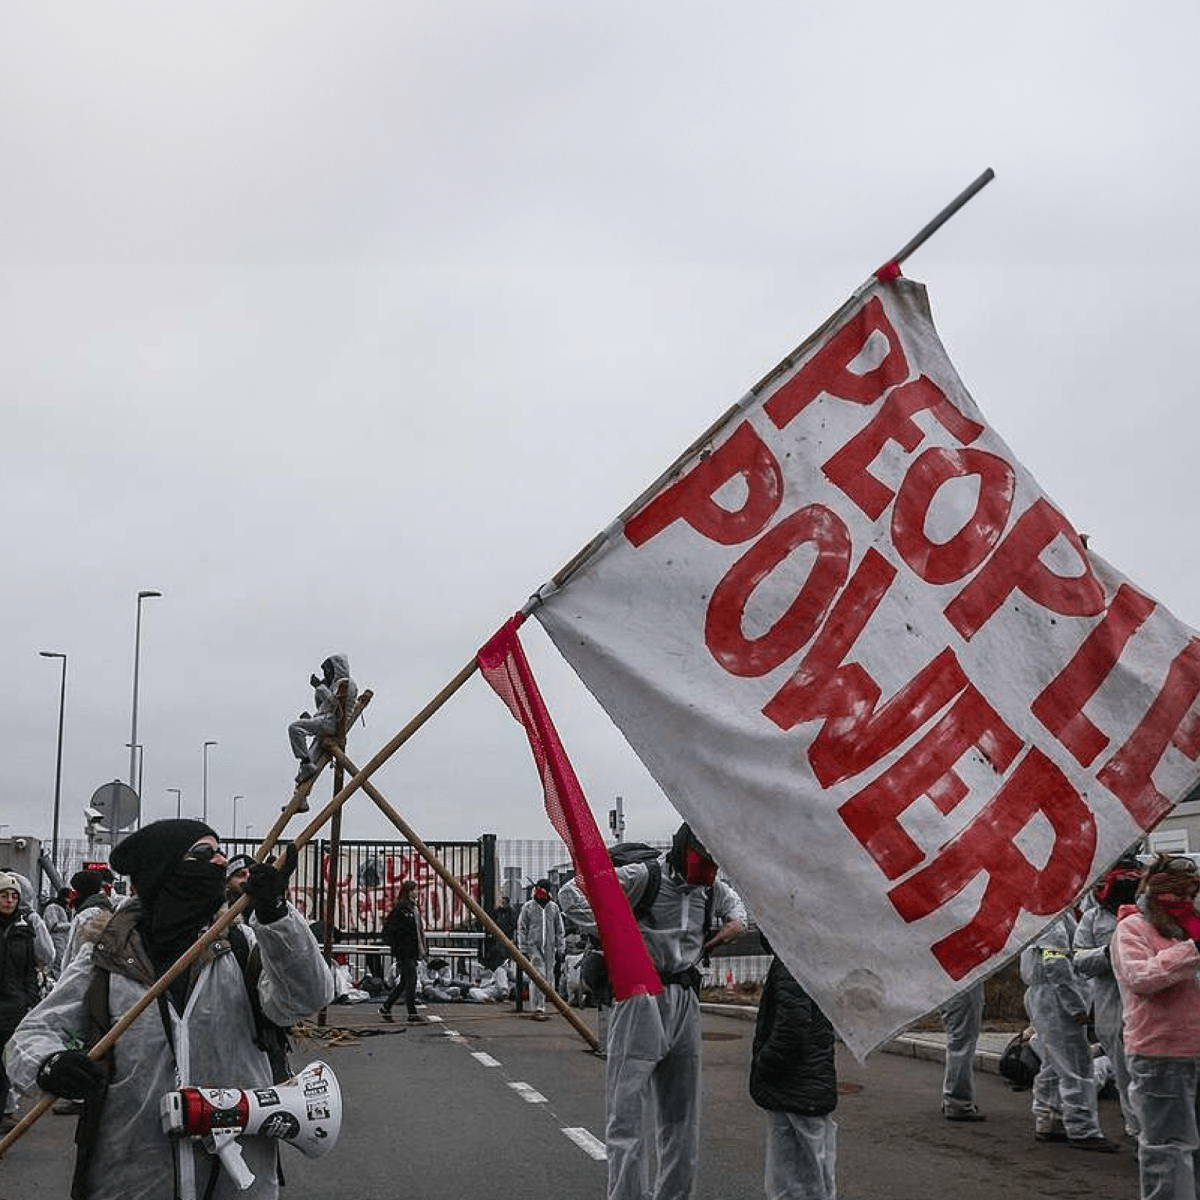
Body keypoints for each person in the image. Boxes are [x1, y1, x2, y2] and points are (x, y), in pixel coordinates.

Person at [4, 818, 334, 1199]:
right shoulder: (103, 960)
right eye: (203, 853)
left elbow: (308, 997)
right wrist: (49, 1065)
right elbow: (25, 1040)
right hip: (130, 1180)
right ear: (164, 871)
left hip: (238, 1181)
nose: (219, 863)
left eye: (221, 852)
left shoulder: (239, 946)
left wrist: (276, 913)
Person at [559, 822, 747, 1200]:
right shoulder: (645, 876)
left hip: (685, 997)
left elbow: (737, 910)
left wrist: (733, 928)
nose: (708, 871)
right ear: (684, 851)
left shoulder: (710, 889)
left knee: (682, 1116)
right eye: (703, 860)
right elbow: (571, 892)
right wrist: (614, 933)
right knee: (627, 1111)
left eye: (714, 862)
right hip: (640, 996)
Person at [1111, 853, 1200, 1198]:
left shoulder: (1189, 927)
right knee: (1167, 1149)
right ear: (1157, 892)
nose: (1186, 902)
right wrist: (1191, 950)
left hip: (1194, 1050)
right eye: (1178, 894)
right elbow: (1141, 977)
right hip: (1159, 1053)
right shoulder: (1131, 928)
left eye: (1192, 895)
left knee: (1191, 1149)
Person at [1021, 914, 1118, 1152]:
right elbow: (1055, 963)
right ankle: (1083, 1130)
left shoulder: (1044, 916)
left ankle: (1049, 1120)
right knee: (1077, 1065)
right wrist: (1075, 1006)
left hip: (1047, 998)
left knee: (1054, 1064)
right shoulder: (1053, 920)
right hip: (1057, 1000)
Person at [750, 934, 837, 1200]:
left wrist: (764, 1062)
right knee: (814, 1169)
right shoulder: (810, 954)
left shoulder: (792, 959)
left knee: (794, 1175)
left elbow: (793, 1023)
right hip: (809, 1082)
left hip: (793, 1081)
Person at [1073, 853, 1143, 1139]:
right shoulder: (1092, 918)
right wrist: (1108, 953)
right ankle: (1138, 1132)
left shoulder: (1152, 914)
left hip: (1147, 1004)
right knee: (1125, 1075)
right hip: (1111, 1007)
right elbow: (1078, 959)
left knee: (1149, 1073)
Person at [0, 872, 51, 1134]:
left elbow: (31, 968)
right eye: (4, 895)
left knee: (5, 1062)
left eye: (13, 896)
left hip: (13, 1006)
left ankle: (4, 1112)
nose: (9, 900)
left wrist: (28, 999)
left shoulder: (24, 929)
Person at [287, 654, 358, 793]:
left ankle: (306, 764)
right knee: (310, 760)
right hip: (327, 721)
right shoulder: (334, 685)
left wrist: (319, 687)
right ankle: (301, 797)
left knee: (295, 728)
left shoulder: (346, 684)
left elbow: (338, 706)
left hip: (333, 723)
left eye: (327, 670)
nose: (326, 674)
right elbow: (325, 707)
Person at [378, 880, 428, 1025]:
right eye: (414, 889)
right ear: (408, 891)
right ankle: (412, 1013)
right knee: (411, 981)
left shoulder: (414, 908)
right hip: (405, 951)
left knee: (405, 982)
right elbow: (390, 929)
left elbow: (419, 931)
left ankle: (386, 1007)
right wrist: (398, 946)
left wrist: (423, 949)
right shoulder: (401, 908)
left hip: (413, 950)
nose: (416, 892)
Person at [517, 879, 564, 1022]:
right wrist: (523, 947)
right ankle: (537, 1008)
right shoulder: (528, 907)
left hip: (550, 948)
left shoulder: (554, 908)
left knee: (548, 978)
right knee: (539, 975)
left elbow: (559, 930)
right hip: (533, 947)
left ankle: (541, 1006)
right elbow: (522, 928)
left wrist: (560, 947)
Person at [938, 982, 986, 1121]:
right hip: (964, 981)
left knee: (957, 1041)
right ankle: (957, 1103)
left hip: (949, 982)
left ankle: (952, 1099)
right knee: (962, 1044)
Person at [41, 887, 73, 974]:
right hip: (55, 941)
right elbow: (52, 926)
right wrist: (70, 925)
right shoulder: (52, 907)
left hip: (63, 942)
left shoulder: (65, 909)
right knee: (55, 966)